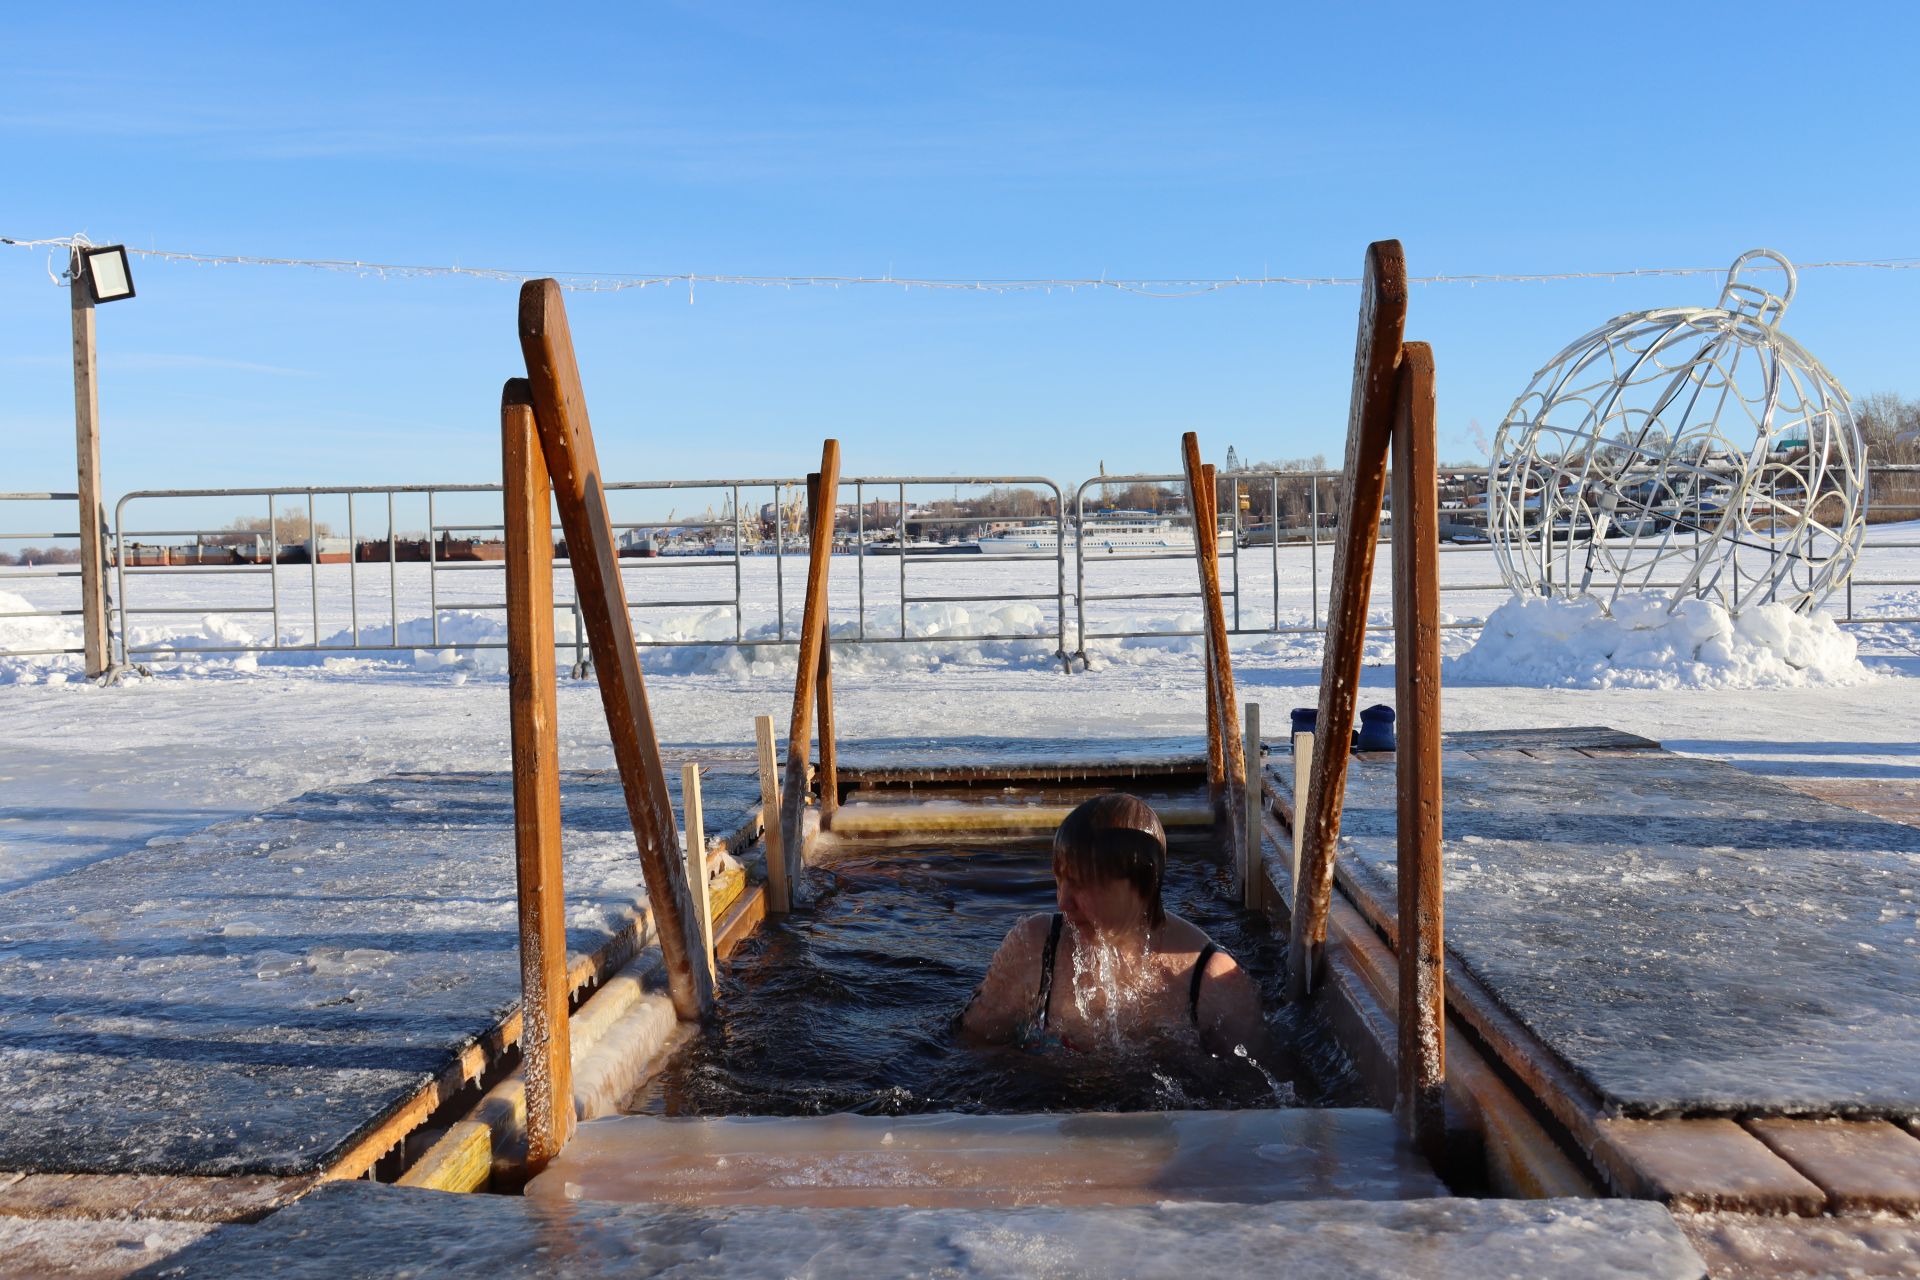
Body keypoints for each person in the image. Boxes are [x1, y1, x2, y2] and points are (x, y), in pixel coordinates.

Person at [958, 792, 1274, 1068]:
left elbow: (1254, 1093)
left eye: (1082, 885)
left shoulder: (1211, 980)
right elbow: (976, 1046)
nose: (1063, 902)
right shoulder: (1036, 945)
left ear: (1141, 886)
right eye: (1059, 880)